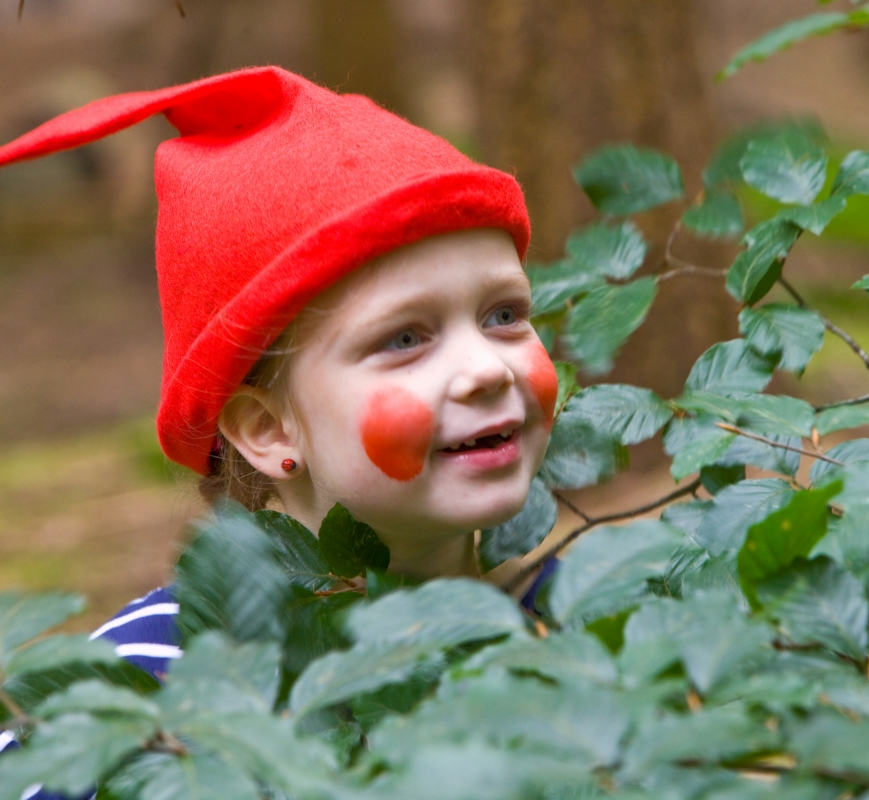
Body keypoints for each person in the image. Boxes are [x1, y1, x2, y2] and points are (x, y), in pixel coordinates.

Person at [0, 66, 557, 799]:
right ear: (266, 428)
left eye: (504, 315)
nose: (486, 368)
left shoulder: (574, 626)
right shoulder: (144, 683)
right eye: (405, 338)